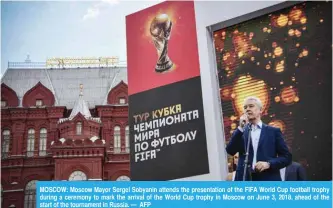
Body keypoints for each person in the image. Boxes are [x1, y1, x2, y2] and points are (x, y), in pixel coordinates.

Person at [226, 96, 292, 181]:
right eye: (245, 107)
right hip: (245, 181)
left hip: (267, 180)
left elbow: (287, 157)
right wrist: (240, 128)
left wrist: (268, 164)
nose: (247, 109)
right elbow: (230, 150)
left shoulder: (273, 132)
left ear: (261, 110)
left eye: (251, 106)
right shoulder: (240, 132)